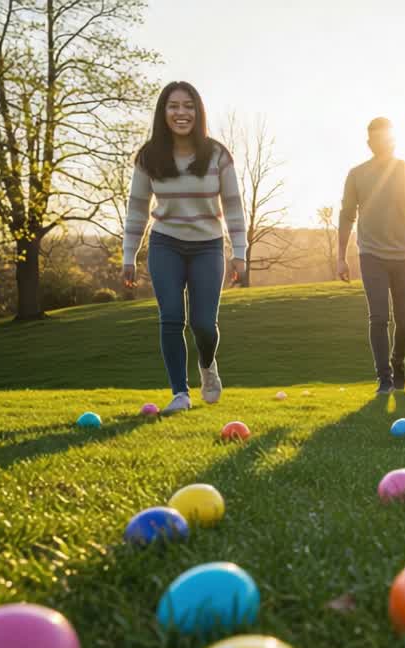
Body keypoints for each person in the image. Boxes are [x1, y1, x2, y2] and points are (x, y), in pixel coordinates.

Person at [121, 81, 247, 415]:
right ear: (163, 112)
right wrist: (128, 255)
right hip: (165, 244)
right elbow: (136, 209)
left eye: (188, 106)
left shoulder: (217, 155)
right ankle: (180, 393)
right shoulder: (149, 156)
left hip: (207, 246)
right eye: (173, 106)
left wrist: (240, 251)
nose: (181, 113)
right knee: (171, 318)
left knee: (204, 324)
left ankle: (208, 366)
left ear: (198, 111)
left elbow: (233, 206)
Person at [337, 117, 405, 394]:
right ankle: (384, 378)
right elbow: (346, 216)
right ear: (369, 143)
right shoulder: (356, 174)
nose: (382, 143)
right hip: (371, 255)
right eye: (376, 139)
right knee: (378, 318)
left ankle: (398, 360)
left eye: (387, 138)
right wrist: (341, 257)